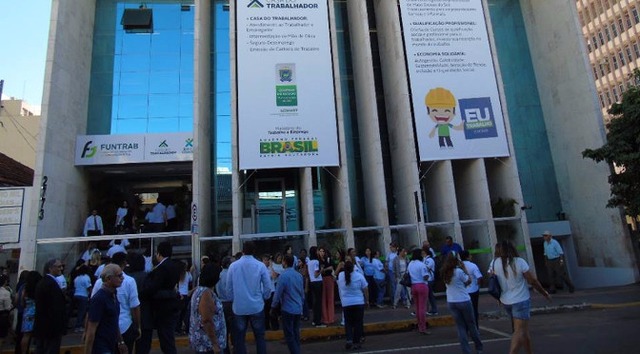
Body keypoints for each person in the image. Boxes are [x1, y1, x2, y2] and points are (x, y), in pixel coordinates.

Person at [490, 241, 551, 354]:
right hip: (520, 300)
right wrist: (544, 293)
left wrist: (497, 298)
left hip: (505, 300)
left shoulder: (494, 263)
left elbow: (493, 281)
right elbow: (532, 280)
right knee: (519, 331)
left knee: (524, 330)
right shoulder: (519, 262)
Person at [226, 241, 272, 354]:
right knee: (260, 337)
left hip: (239, 307)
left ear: (242, 251)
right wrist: (265, 298)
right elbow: (267, 286)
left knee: (239, 339)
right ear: (254, 252)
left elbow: (229, 288)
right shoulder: (260, 265)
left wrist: (233, 300)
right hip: (256, 306)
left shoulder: (233, 266)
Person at [91, 252, 141, 354]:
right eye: (119, 276)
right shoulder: (129, 281)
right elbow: (134, 307)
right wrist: (137, 326)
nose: (121, 278)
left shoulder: (109, 290)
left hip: (112, 329)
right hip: (117, 328)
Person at [138, 241, 180, 354]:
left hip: (163, 308)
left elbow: (154, 287)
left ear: (159, 253)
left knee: (166, 340)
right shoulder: (174, 266)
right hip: (170, 306)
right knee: (168, 338)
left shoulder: (162, 268)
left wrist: (141, 294)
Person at [442, 252, 484, 354]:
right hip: (463, 299)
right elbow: (468, 281)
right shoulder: (459, 272)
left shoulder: (444, 272)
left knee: (460, 326)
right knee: (471, 324)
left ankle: (466, 350)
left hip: (452, 301)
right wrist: (464, 270)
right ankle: (479, 347)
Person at [84, 264, 128, 354]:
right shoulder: (99, 299)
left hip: (110, 344)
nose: (122, 278)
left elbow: (114, 321)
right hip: (100, 347)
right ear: (108, 279)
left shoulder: (113, 295)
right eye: (119, 276)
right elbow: (91, 331)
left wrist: (121, 341)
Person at [270, 254, 304, 354]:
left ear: (284, 262)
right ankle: (297, 350)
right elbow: (302, 293)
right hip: (297, 308)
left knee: (289, 335)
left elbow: (278, 293)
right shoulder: (298, 275)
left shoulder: (283, 276)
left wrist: (273, 307)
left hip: (287, 308)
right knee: (296, 333)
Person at [190, 263, 226, 354]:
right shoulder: (206, 293)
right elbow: (206, 320)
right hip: (207, 345)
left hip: (203, 342)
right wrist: (214, 343)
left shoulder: (199, 290)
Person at [34, 258, 67, 354]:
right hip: (51, 327)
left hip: (43, 325)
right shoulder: (51, 284)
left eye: (62, 266)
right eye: (58, 266)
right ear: (50, 268)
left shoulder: (43, 282)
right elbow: (56, 307)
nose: (61, 268)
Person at [337, 260, 368, 350]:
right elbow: (365, 288)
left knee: (348, 323)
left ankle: (349, 340)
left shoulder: (341, 275)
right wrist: (367, 300)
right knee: (358, 323)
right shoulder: (359, 276)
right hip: (358, 302)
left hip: (346, 303)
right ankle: (356, 341)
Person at [407, 248, 430, 335]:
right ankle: (423, 327)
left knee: (417, 307)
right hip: (422, 285)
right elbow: (425, 277)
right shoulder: (421, 265)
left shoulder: (410, 264)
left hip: (413, 285)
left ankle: (419, 325)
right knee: (422, 308)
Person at [215, 256, 234, 354]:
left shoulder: (219, 275)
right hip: (230, 303)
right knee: (234, 329)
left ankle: (226, 350)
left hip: (222, 303)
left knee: (224, 330)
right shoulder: (231, 275)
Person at [20, 271, 41, 354]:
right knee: (39, 335)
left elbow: (22, 302)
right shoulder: (39, 287)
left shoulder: (25, 288)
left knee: (26, 335)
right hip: (38, 312)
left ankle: (24, 352)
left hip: (28, 312)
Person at [461, 250, 483, 328]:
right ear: (467, 257)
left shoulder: (459, 266)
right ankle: (475, 327)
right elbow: (479, 277)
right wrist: (478, 284)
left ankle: (466, 327)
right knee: (474, 310)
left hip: (463, 291)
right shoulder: (473, 265)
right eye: (470, 255)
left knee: (464, 311)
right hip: (473, 290)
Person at [307, 246, 324, 327]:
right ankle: (318, 321)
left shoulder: (309, 262)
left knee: (315, 302)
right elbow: (316, 274)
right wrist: (321, 270)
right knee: (318, 302)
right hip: (317, 282)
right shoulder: (316, 262)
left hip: (312, 282)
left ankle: (315, 320)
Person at [72, 264, 92, 333]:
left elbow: (75, 287)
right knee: (82, 312)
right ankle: (79, 326)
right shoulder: (86, 277)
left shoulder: (77, 278)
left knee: (79, 311)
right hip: (83, 296)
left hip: (76, 295)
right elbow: (88, 287)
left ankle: (78, 325)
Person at [318, 246, 335, 325]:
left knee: (330, 298)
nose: (322, 253)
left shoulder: (329, 259)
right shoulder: (318, 261)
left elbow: (331, 267)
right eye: (320, 251)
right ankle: (325, 318)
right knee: (323, 298)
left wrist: (324, 269)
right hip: (322, 279)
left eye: (323, 251)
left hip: (329, 278)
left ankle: (331, 317)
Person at [423, 245, 438, 315]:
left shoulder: (429, 260)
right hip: (427, 280)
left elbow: (426, 268)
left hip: (429, 279)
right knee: (429, 295)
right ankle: (431, 309)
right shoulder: (425, 259)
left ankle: (434, 309)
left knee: (430, 295)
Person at [0, 275, 12, 351]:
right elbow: (8, 307)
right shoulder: (5, 292)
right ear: (5, 282)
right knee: (1, 336)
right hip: (2, 316)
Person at [386, 242, 399, 308]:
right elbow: (387, 262)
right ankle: (394, 300)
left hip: (398, 271)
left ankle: (403, 299)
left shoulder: (398, 253)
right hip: (391, 271)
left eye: (392, 247)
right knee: (393, 286)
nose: (391, 248)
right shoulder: (389, 254)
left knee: (399, 285)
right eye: (390, 247)